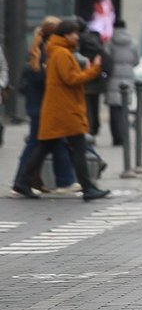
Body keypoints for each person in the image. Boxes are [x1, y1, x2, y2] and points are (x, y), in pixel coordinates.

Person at [13, 20, 109, 201]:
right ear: (66, 35)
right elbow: (71, 79)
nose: (77, 36)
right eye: (74, 33)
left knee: (44, 147)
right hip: (65, 110)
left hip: (60, 109)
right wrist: (94, 70)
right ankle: (88, 188)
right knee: (78, 148)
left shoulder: (57, 51)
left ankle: (23, 181)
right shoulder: (62, 53)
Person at [12, 17, 77, 194]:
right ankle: (23, 181)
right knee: (39, 143)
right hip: (43, 107)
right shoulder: (46, 52)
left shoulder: (40, 50)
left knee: (53, 142)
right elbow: (43, 79)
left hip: (38, 106)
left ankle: (64, 180)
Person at [105, 19, 138, 146]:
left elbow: (106, 60)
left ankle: (116, 137)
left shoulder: (109, 43)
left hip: (113, 77)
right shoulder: (134, 43)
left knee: (114, 109)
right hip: (128, 77)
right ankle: (125, 136)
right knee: (125, 107)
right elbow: (136, 61)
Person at [77, 28, 110, 137]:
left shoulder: (80, 46)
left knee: (87, 110)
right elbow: (108, 66)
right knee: (95, 108)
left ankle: (89, 131)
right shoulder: (99, 49)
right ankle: (94, 129)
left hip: (83, 81)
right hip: (96, 83)